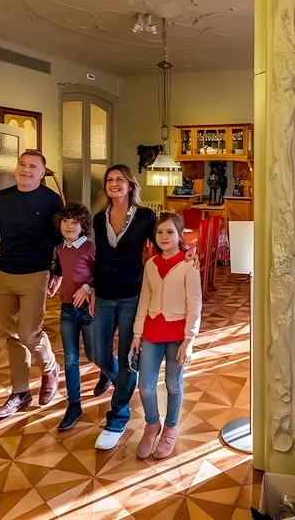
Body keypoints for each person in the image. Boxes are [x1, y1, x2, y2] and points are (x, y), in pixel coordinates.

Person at [0, 149, 64, 421]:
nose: (26, 170)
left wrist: (58, 271)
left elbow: (61, 239)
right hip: (5, 273)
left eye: (33, 166)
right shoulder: (1, 199)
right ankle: (20, 392)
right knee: (11, 334)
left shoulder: (51, 200)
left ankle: (50, 368)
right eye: (22, 164)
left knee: (29, 333)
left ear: (42, 172)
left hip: (36, 273)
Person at [90, 164, 158, 450]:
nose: (114, 183)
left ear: (130, 185)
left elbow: (160, 245)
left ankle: (117, 418)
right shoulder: (98, 218)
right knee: (97, 352)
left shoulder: (145, 216)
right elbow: (99, 257)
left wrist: (184, 255)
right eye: (110, 179)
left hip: (132, 295)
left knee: (128, 356)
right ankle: (124, 383)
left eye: (120, 179)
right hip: (104, 295)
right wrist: (91, 287)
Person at [130, 211, 202, 459]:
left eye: (170, 232)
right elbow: (144, 299)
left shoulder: (189, 265)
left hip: (178, 334)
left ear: (180, 236)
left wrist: (189, 340)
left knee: (173, 383)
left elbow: (195, 304)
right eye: (159, 232)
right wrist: (137, 333)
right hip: (152, 331)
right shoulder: (151, 264)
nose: (164, 236)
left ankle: (171, 427)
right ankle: (152, 425)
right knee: (145, 385)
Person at [47, 201, 105, 431]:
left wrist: (88, 287)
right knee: (70, 360)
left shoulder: (90, 248)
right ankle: (74, 405)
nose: (69, 226)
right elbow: (63, 269)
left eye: (75, 222)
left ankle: (117, 375)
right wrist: (55, 280)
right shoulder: (60, 248)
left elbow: (100, 273)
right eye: (65, 221)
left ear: (83, 226)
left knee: (94, 354)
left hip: (88, 310)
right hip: (67, 310)